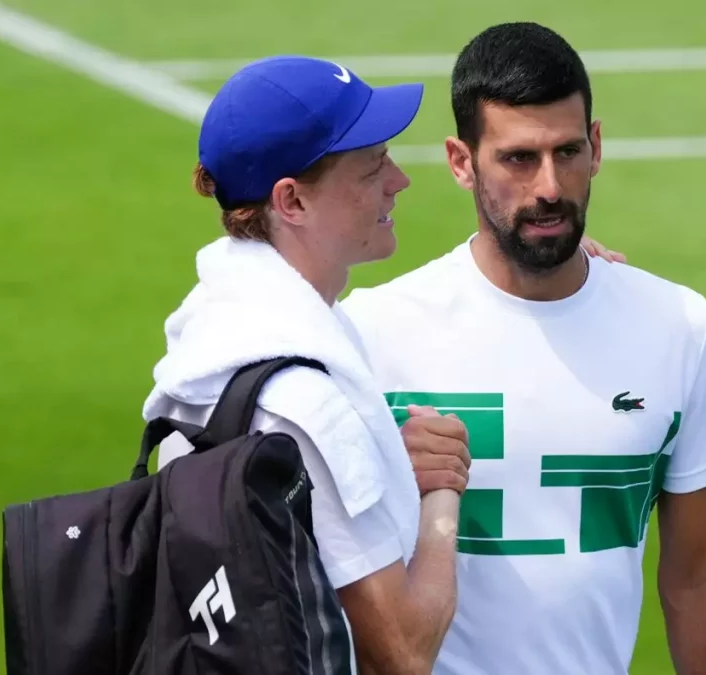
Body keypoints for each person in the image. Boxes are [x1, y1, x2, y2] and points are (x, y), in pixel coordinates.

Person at [340, 22, 706, 675]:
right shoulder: (370, 332)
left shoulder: (676, 326)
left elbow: (696, 575)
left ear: (597, 146)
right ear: (460, 161)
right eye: (519, 158)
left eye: (567, 152)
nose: (551, 186)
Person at [140, 55, 473, 674]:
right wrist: (441, 497)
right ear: (291, 200)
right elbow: (402, 652)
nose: (399, 181)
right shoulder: (304, 402)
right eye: (373, 167)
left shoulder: (212, 342)